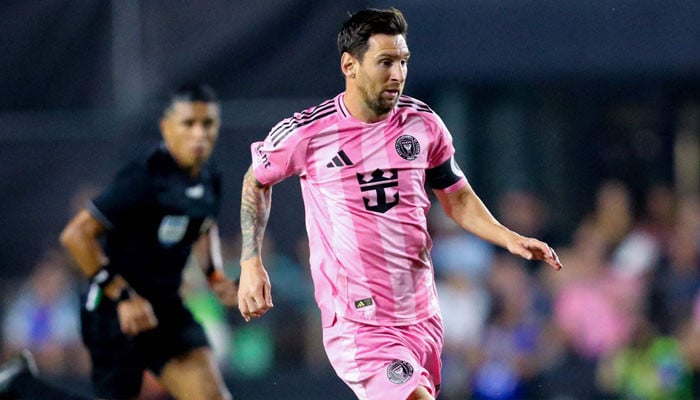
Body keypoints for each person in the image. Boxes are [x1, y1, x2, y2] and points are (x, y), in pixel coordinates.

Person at [237, 8, 562, 400]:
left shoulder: (422, 124)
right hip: (360, 322)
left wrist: (508, 237)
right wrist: (251, 262)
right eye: (385, 62)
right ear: (349, 65)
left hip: (422, 315)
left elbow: (457, 197)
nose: (397, 74)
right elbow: (256, 180)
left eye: (403, 62)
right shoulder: (309, 132)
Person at [60, 82, 235, 400]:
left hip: (167, 310)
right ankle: (22, 387)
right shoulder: (144, 177)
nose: (199, 133)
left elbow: (203, 225)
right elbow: (76, 236)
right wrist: (123, 295)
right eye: (189, 123)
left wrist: (214, 275)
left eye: (207, 123)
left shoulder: (211, 177)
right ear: (167, 128)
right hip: (116, 312)